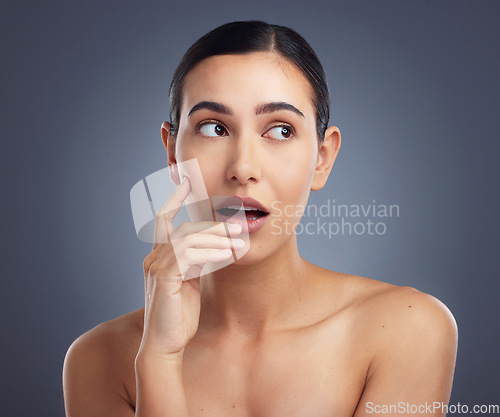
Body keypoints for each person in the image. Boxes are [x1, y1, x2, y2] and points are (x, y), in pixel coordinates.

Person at [62, 20, 458, 417]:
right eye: (214, 128)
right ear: (171, 154)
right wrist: (159, 360)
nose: (243, 167)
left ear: (322, 159)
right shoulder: (99, 359)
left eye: (281, 131)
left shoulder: (407, 330)